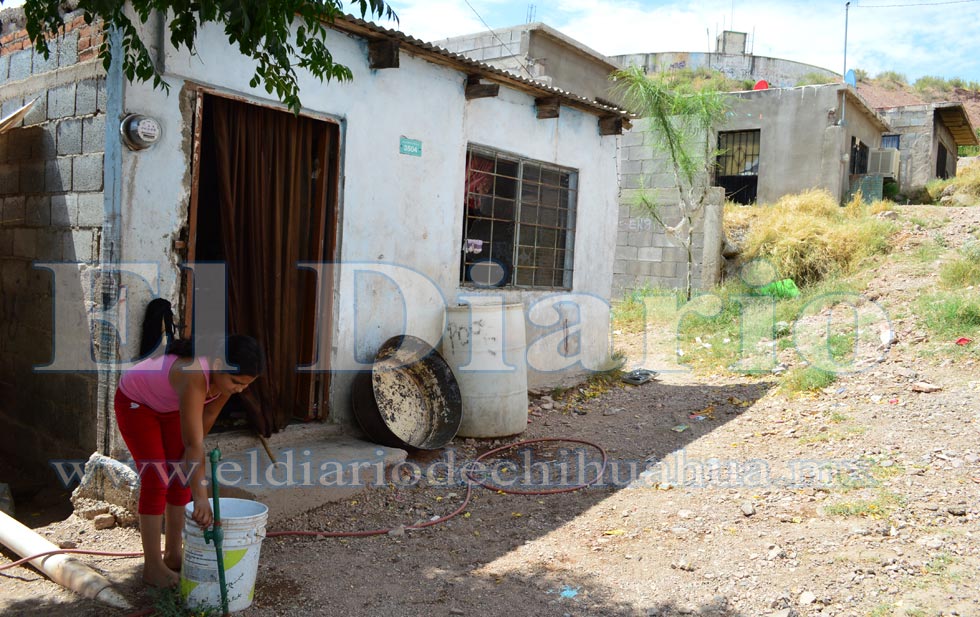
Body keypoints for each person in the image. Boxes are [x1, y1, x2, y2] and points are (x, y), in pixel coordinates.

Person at [115, 300, 265, 587]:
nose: (241, 389)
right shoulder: (195, 375)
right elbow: (194, 441)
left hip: (168, 408)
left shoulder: (226, 383)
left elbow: (202, 427)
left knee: (180, 476)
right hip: (136, 403)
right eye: (237, 382)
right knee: (157, 479)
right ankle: (152, 566)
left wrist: (190, 473)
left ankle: (173, 555)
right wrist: (201, 496)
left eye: (247, 384)